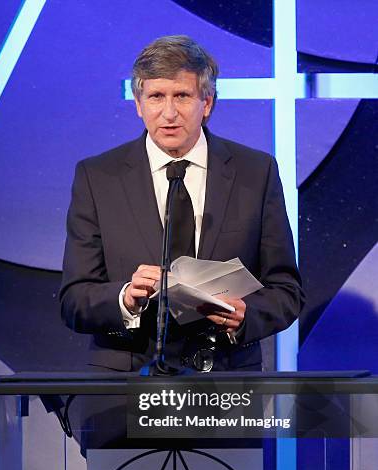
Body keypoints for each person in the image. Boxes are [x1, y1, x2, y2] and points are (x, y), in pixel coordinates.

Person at [60, 35, 304, 373]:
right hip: (125, 388)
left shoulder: (256, 173)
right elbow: (74, 299)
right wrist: (126, 298)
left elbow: (286, 291)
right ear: (138, 103)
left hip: (225, 385)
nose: (169, 113)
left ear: (207, 103)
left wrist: (245, 317)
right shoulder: (98, 177)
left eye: (183, 96)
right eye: (156, 96)